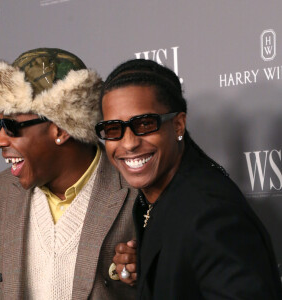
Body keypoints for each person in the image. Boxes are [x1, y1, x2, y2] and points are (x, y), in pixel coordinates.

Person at [95, 58, 282, 299]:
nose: (129, 143)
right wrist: (149, 271)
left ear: (178, 125)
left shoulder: (211, 214)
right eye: (113, 129)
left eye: (145, 124)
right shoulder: (156, 200)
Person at [0, 48, 137, 300]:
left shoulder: (135, 190)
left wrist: (141, 276)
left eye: (11, 126)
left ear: (61, 130)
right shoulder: (2, 191)